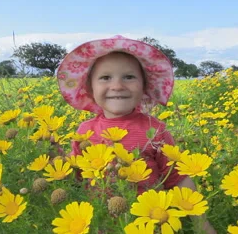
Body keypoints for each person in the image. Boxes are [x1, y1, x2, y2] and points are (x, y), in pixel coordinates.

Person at [57, 35, 216, 234]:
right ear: (90, 88)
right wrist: (55, 157)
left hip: (151, 223)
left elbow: (179, 179)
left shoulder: (155, 129)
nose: (117, 86)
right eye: (105, 77)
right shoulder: (84, 132)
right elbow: (76, 179)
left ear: (144, 86)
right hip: (100, 223)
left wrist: (203, 225)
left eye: (129, 77)